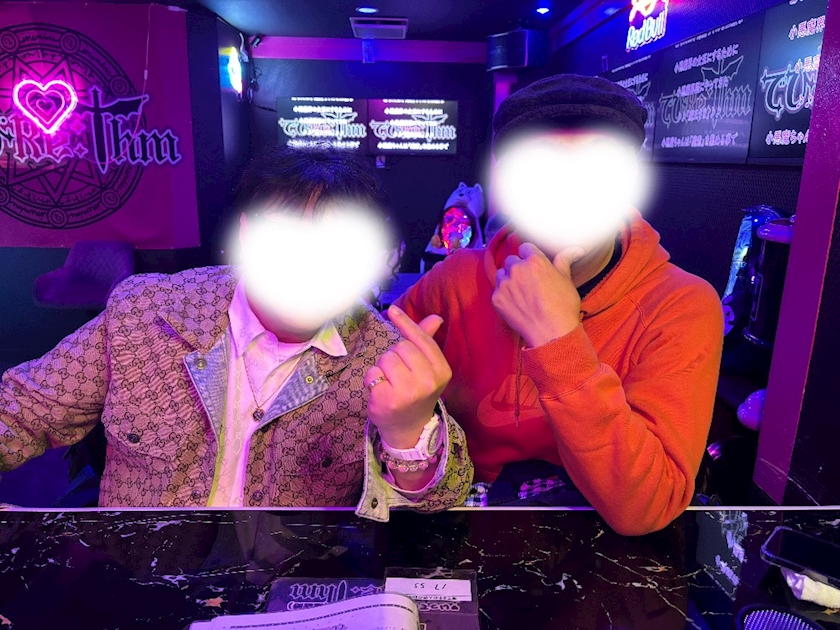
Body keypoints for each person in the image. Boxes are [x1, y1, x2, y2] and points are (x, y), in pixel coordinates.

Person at [0, 146, 473, 521]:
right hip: (143, 577)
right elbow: (21, 409)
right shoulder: (147, 312)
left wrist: (408, 430)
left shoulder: (382, 356)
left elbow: (440, 501)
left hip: (294, 585)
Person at [393, 74, 724, 536]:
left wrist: (557, 340)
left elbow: (647, 507)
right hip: (459, 524)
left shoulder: (680, 304)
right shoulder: (456, 281)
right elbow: (369, 379)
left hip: (604, 539)